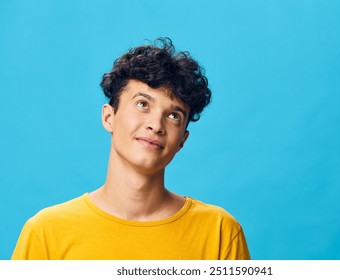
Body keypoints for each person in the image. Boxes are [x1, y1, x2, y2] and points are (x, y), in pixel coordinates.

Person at [12, 38, 250, 260]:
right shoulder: (46, 232)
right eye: (142, 104)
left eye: (174, 116)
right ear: (108, 117)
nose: (156, 125)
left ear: (182, 140)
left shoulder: (220, 233)